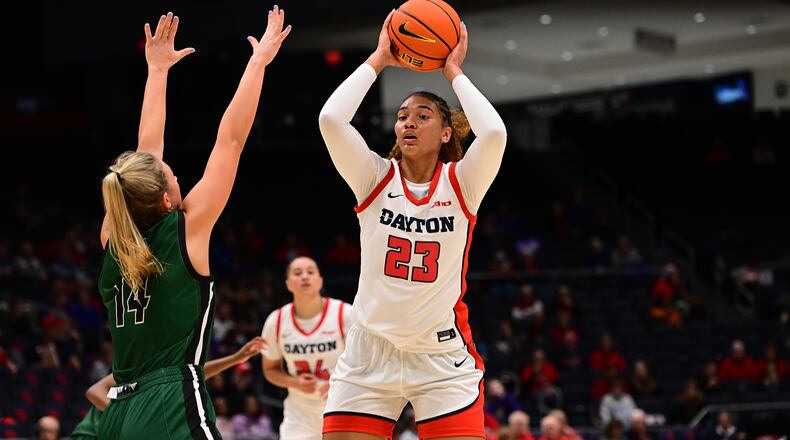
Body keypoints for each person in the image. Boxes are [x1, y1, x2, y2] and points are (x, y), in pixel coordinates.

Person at [92, 8, 290, 439]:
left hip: (117, 414)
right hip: (168, 403)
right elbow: (231, 140)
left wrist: (157, 71)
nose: (177, 173)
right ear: (166, 198)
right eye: (173, 176)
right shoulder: (185, 229)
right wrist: (258, 63)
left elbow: (146, 153)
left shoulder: (113, 236)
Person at [319, 8, 507, 439]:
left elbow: (494, 134)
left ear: (445, 133)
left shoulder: (463, 182)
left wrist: (453, 71)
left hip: (439, 355)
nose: (408, 121)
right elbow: (331, 120)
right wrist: (379, 59)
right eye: (403, 115)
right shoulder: (373, 177)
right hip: (369, 354)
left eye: (423, 115)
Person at [71, 337, 268, 439]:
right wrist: (131, 415)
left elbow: (193, 374)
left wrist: (235, 359)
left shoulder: (165, 369)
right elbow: (94, 391)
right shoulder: (138, 367)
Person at [260, 257, 352, 440]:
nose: (304, 277)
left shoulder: (344, 313)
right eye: (297, 273)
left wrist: (339, 383)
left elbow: (365, 362)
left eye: (310, 272)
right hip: (299, 415)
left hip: (342, 407)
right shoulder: (276, 321)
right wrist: (294, 382)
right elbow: (270, 370)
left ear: (320, 280)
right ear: (288, 283)